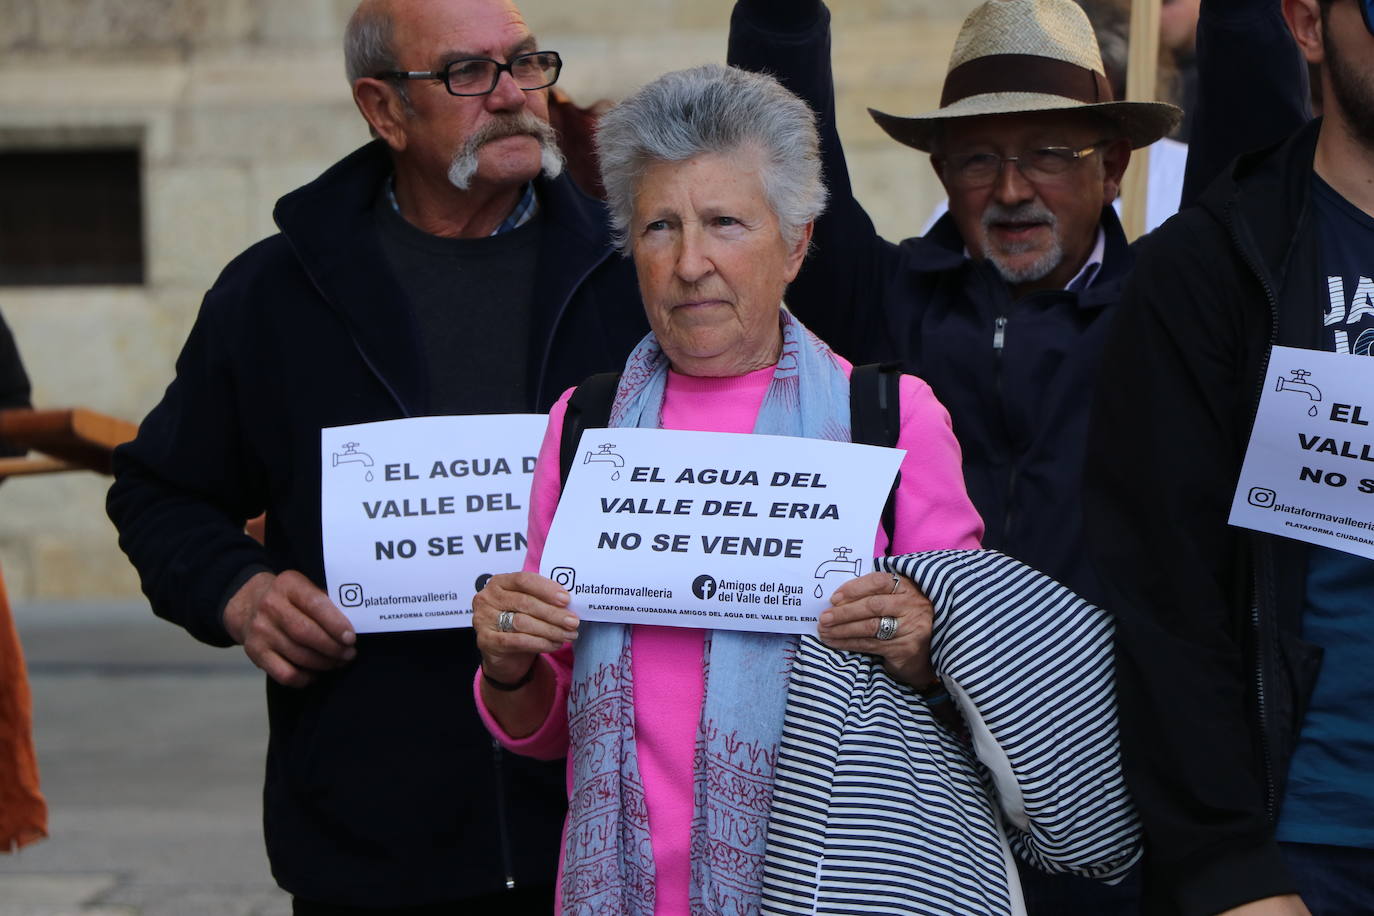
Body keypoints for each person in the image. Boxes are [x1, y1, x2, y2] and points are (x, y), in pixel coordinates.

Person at [105, 0, 647, 911]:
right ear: (383, 109)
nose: (515, 94)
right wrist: (239, 590)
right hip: (372, 836)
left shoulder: (634, 273)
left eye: (525, 62)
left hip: (605, 827)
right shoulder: (277, 294)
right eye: (469, 74)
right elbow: (161, 492)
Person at [472, 63, 987, 914]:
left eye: (724, 223)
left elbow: (970, 683)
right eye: (659, 227)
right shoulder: (585, 426)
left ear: (795, 243)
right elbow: (546, 726)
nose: (689, 263)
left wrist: (918, 642)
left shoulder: (891, 422)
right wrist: (507, 665)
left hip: (837, 891)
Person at [1085, 0, 1373, 912]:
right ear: (1309, 24)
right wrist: (1228, 870)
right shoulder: (1207, 269)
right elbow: (1165, 589)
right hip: (1307, 849)